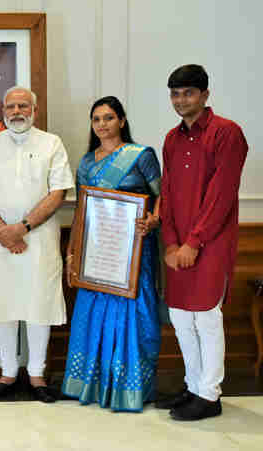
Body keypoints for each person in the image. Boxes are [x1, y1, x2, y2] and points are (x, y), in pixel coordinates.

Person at [0, 86, 74, 403]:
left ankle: (37, 374)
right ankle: (8, 372)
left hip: (38, 240)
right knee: (3, 303)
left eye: (23, 106)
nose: (16, 112)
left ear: (34, 110)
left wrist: (22, 228)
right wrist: (4, 231)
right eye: (10, 107)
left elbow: (58, 193)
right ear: (3, 113)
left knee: (39, 303)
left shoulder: (51, 144)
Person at [154, 64, 248, 421]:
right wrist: (171, 243)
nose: (181, 100)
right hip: (179, 246)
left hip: (212, 243)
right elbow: (168, 192)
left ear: (205, 95)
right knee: (180, 317)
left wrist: (193, 242)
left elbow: (221, 195)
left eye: (188, 93)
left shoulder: (227, 133)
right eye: (175, 94)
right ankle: (193, 386)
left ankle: (210, 395)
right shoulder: (171, 139)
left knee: (206, 316)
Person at [61, 96, 162, 412]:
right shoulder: (87, 162)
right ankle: (91, 384)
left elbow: (163, 197)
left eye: (108, 118)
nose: (102, 125)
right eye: (96, 119)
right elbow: (81, 210)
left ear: (122, 120)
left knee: (136, 314)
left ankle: (130, 387)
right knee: (93, 314)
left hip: (133, 253)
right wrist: (72, 253)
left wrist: (154, 219)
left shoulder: (141, 156)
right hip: (97, 253)